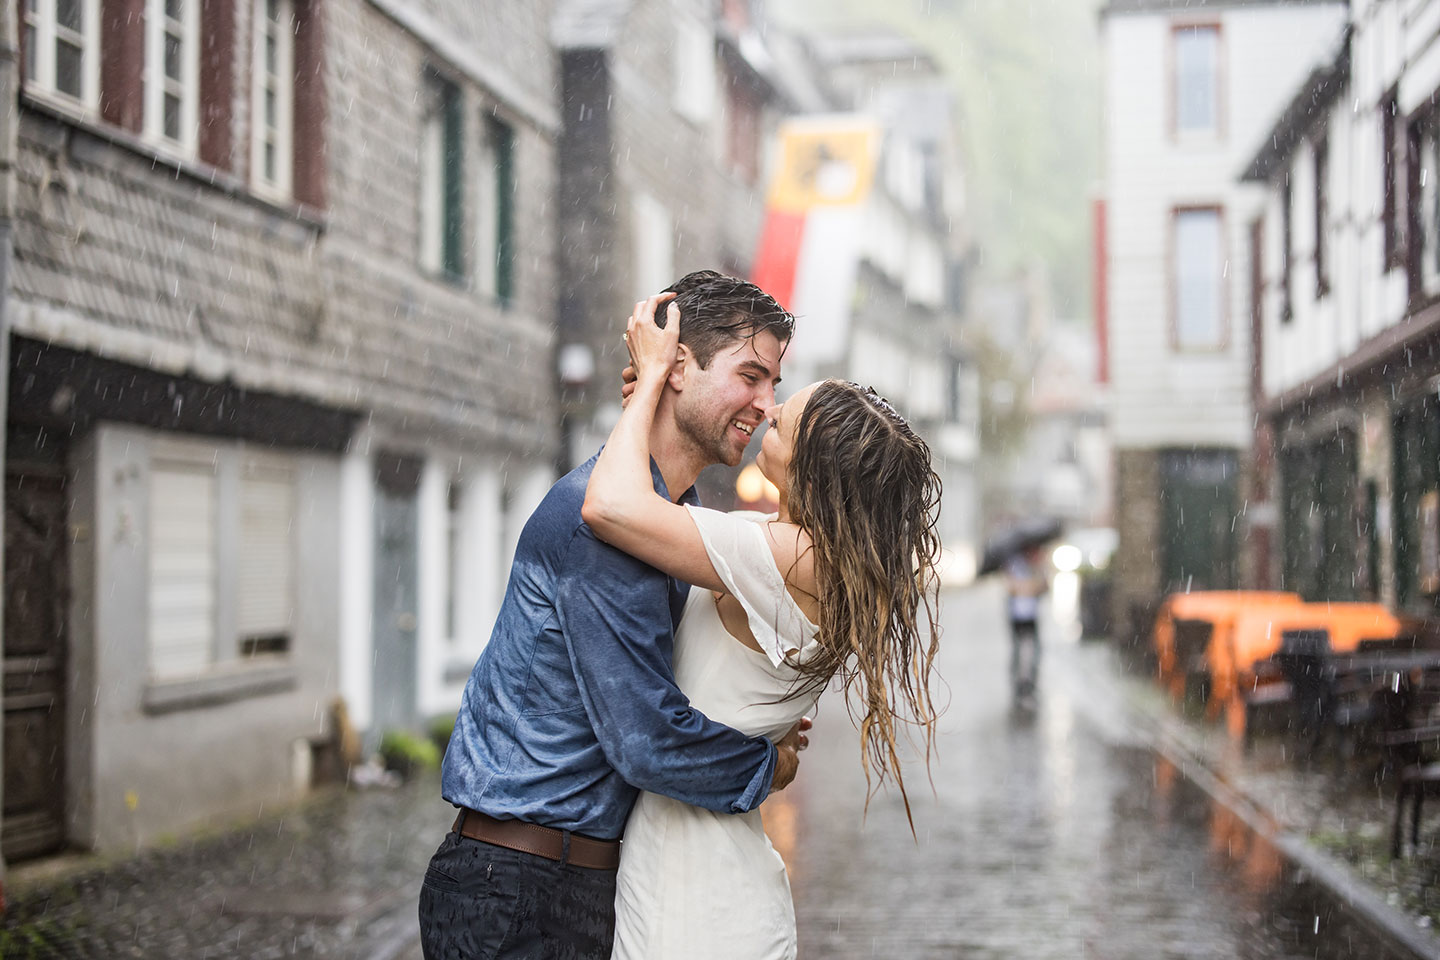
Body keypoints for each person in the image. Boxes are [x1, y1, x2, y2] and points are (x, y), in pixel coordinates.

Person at [418, 271, 809, 960]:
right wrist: (764, 763)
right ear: (678, 366)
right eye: (751, 375)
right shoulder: (597, 524)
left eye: (774, 384)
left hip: (570, 882)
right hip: (516, 890)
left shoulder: (666, 524)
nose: (766, 405)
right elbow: (645, 739)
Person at [581, 294, 945, 959]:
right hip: (702, 881)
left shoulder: (793, 560)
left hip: (694, 900)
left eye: (786, 418)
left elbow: (610, 507)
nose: (768, 410)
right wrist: (664, 404)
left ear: (812, 471)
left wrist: (641, 401)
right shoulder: (787, 549)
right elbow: (674, 521)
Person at [1005, 544, 1048, 700]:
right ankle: (1020, 682)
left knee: (1033, 649)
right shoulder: (1014, 563)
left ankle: (1030, 680)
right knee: (1019, 648)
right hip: (1017, 615)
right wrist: (1028, 588)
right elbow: (1011, 587)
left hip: (1031, 614)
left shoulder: (1036, 564)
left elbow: (1043, 586)